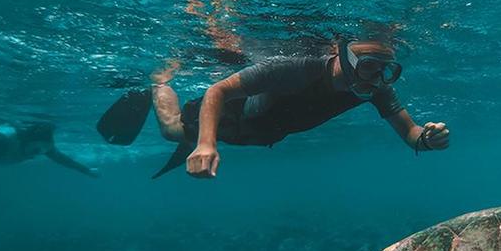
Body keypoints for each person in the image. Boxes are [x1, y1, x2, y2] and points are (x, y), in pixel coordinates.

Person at [99, 39, 450, 178]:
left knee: (180, 136)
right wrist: (207, 143)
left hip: (267, 131)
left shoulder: (376, 88)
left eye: (386, 70)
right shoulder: (296, 67)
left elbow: (409, 131)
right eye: (371, 65)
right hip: (235, 114)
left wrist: (426, 139)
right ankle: (159, 81)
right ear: (346, 56)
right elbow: (217, 90)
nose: (377, 78)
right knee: (171, 129)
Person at [0, 121, 99, 177]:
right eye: (37, 151)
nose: (37, 155)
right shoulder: (0, 141)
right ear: (28, 139)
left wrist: (86, 170)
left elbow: (62, 159)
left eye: (44, 151)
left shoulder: (42, 145)